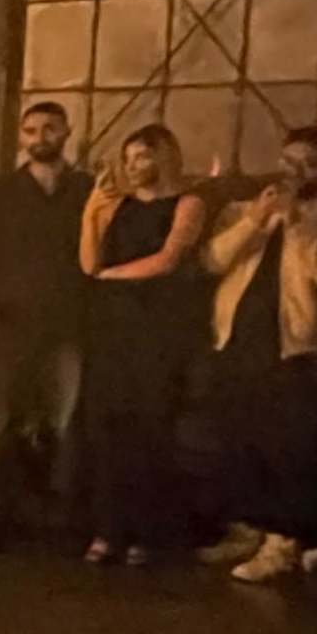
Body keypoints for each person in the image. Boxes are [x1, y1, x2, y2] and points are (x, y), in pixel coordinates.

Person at [198, 126, 317, 584]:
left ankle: (284, 539)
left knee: (288, 446)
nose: (294, 171)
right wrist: (255, 219)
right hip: (238, 337)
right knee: (242, 437)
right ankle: (247, 526)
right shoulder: (241, 209)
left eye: (308, 163)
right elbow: (213, 260)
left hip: (295, 344)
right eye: (288, 160)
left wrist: (297, 221)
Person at [78, 125, 210, 565]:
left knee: (152, 429)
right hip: (114, 327)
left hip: (158, 328)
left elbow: (168, 259)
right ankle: (108, 528)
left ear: (166, 156)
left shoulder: (188, 204)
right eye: (129, 158)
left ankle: (150, 532)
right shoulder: (120, 206)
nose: (134, 167)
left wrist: (112, 277)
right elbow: (88, 262)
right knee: (108, 427)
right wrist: (93, 211)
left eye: (142, 157)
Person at [0, 102, 90, 540]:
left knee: (66, 417)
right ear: (21, 137)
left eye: (50, 129)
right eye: (33, 130)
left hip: (68, 320)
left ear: (66, 132)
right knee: (5, 417)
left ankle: (60, 511)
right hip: (13, 321)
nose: (41, 137)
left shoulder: (86, 191)